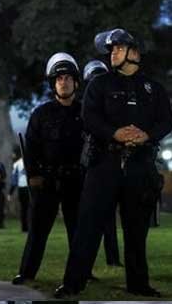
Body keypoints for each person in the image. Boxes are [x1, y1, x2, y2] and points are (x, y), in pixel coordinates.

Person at [56, 28, 172, 298]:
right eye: (111, 50)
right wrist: (115, 133)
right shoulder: (100, 85)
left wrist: (147, 135)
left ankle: (138, 284)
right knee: (88, 227)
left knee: (136, 229)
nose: (113, 54)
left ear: (135, 52)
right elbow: (89, 117)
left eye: (118, 48)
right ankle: (72, 283)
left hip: (140, 166)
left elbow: (167, 120)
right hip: (104, 164)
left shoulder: (153, 88)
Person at [13, 53, 85, 285]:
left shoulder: (86, 113)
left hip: (77, 182)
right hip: (46, 182)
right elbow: (31, 148)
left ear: (76, 82)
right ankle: (26, 273)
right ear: (53, 83)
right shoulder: (41, 114)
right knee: (37, 232)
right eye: (59, 78)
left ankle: (77, 277)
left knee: (78, 233)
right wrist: (33, 175)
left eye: (68, 78)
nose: (63, 82)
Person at [82, 59, 122, 268]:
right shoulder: (84, 107)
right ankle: (84, 265)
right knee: (89, 219)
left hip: (107, 162)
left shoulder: (113, 107)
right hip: (88, 164)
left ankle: (112, 259)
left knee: (108, 217)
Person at [9, 149, 29, 233]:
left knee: (24, 209)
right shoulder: (21, 163)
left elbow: (14, 180)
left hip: (23, 188)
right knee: (29, 209)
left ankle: (25, 228)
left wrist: (10, 192)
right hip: (27, 188)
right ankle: (27, 227)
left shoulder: (17, 164)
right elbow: (14, 179)